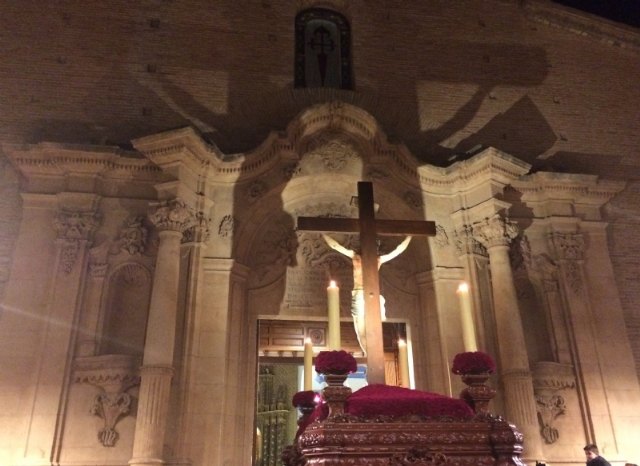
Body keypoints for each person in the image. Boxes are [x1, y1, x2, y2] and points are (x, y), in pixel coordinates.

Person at [322, 234, 412, 354]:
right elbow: (398, 250)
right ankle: (372, 356)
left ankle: (373, 356)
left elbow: (335, 246)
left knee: (364, 331)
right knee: (367, 331)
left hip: (365, 294)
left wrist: (323, 234)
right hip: (368, 295)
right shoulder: (371, 259)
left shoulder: (360, 257)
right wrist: (409, 236)